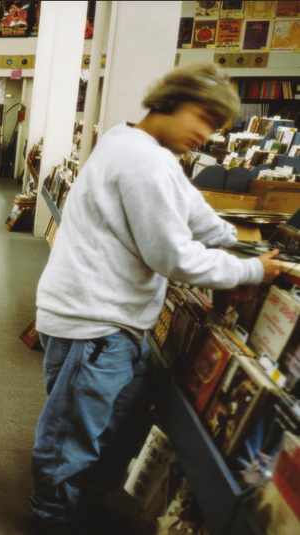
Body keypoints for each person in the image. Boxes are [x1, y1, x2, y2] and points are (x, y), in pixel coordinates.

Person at [29, 63, 281, 535]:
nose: (205, 135)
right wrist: (252, 269)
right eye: (202, 118)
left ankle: (80, 505)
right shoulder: (140, 160)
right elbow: (174, 258)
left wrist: (241, 242)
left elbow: (193, 212)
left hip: (110, 321)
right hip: (95, 324)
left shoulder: (143, 149)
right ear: (170, 101)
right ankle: (52, 518)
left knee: (110, 429)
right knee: (73, 435)